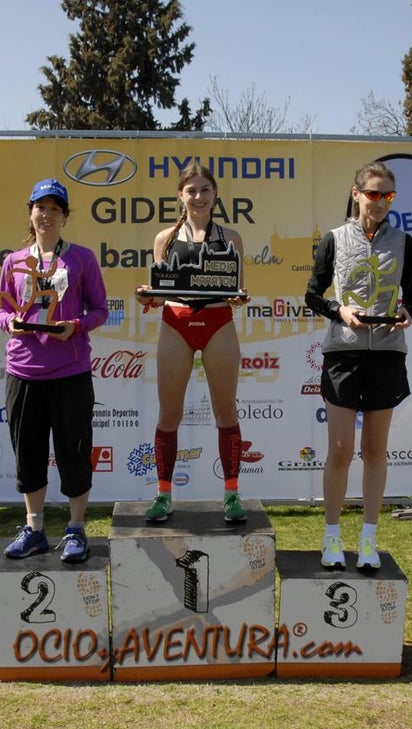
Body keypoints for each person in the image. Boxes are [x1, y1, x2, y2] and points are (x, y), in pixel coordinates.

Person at [304, 160, 412, 571]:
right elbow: (312, 294)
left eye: (388, 195)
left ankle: (368, 539)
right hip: (344, 352)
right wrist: (339, 311)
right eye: (373, 194)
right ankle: (331, 537)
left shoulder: (404, 241)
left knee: (375, 450)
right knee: (340, 449)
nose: (381, 202)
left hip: (388, 351)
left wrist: (406, 312)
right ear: (356, 194)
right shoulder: (333, 239)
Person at [0, 178, 108, 562]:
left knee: (74, 453)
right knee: (28, 454)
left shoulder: (81, 259)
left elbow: (100, 310)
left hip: (69, 372)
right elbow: (1, 309)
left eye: (55, 209)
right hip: (23, 372)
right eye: (40, 208)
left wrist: (74, 327)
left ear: (65, 217)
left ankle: (75, 529)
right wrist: (8, 322)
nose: (47, 215)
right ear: (31, 213)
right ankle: (35, 529)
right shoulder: (14, 261)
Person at [135, 162, 250, 524]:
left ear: (215, 195)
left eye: (205, 189)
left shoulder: (230, 238)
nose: (198, 196)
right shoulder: (164, 239)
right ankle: (163, 494)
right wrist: (146, 296)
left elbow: (237, 290)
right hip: (176, 323)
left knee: (226, 412)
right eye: (191, 190)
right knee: (169, 414)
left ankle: (231, 494)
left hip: (217, 322)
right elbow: (159, 290)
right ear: (180, 196)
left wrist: (238, 298)